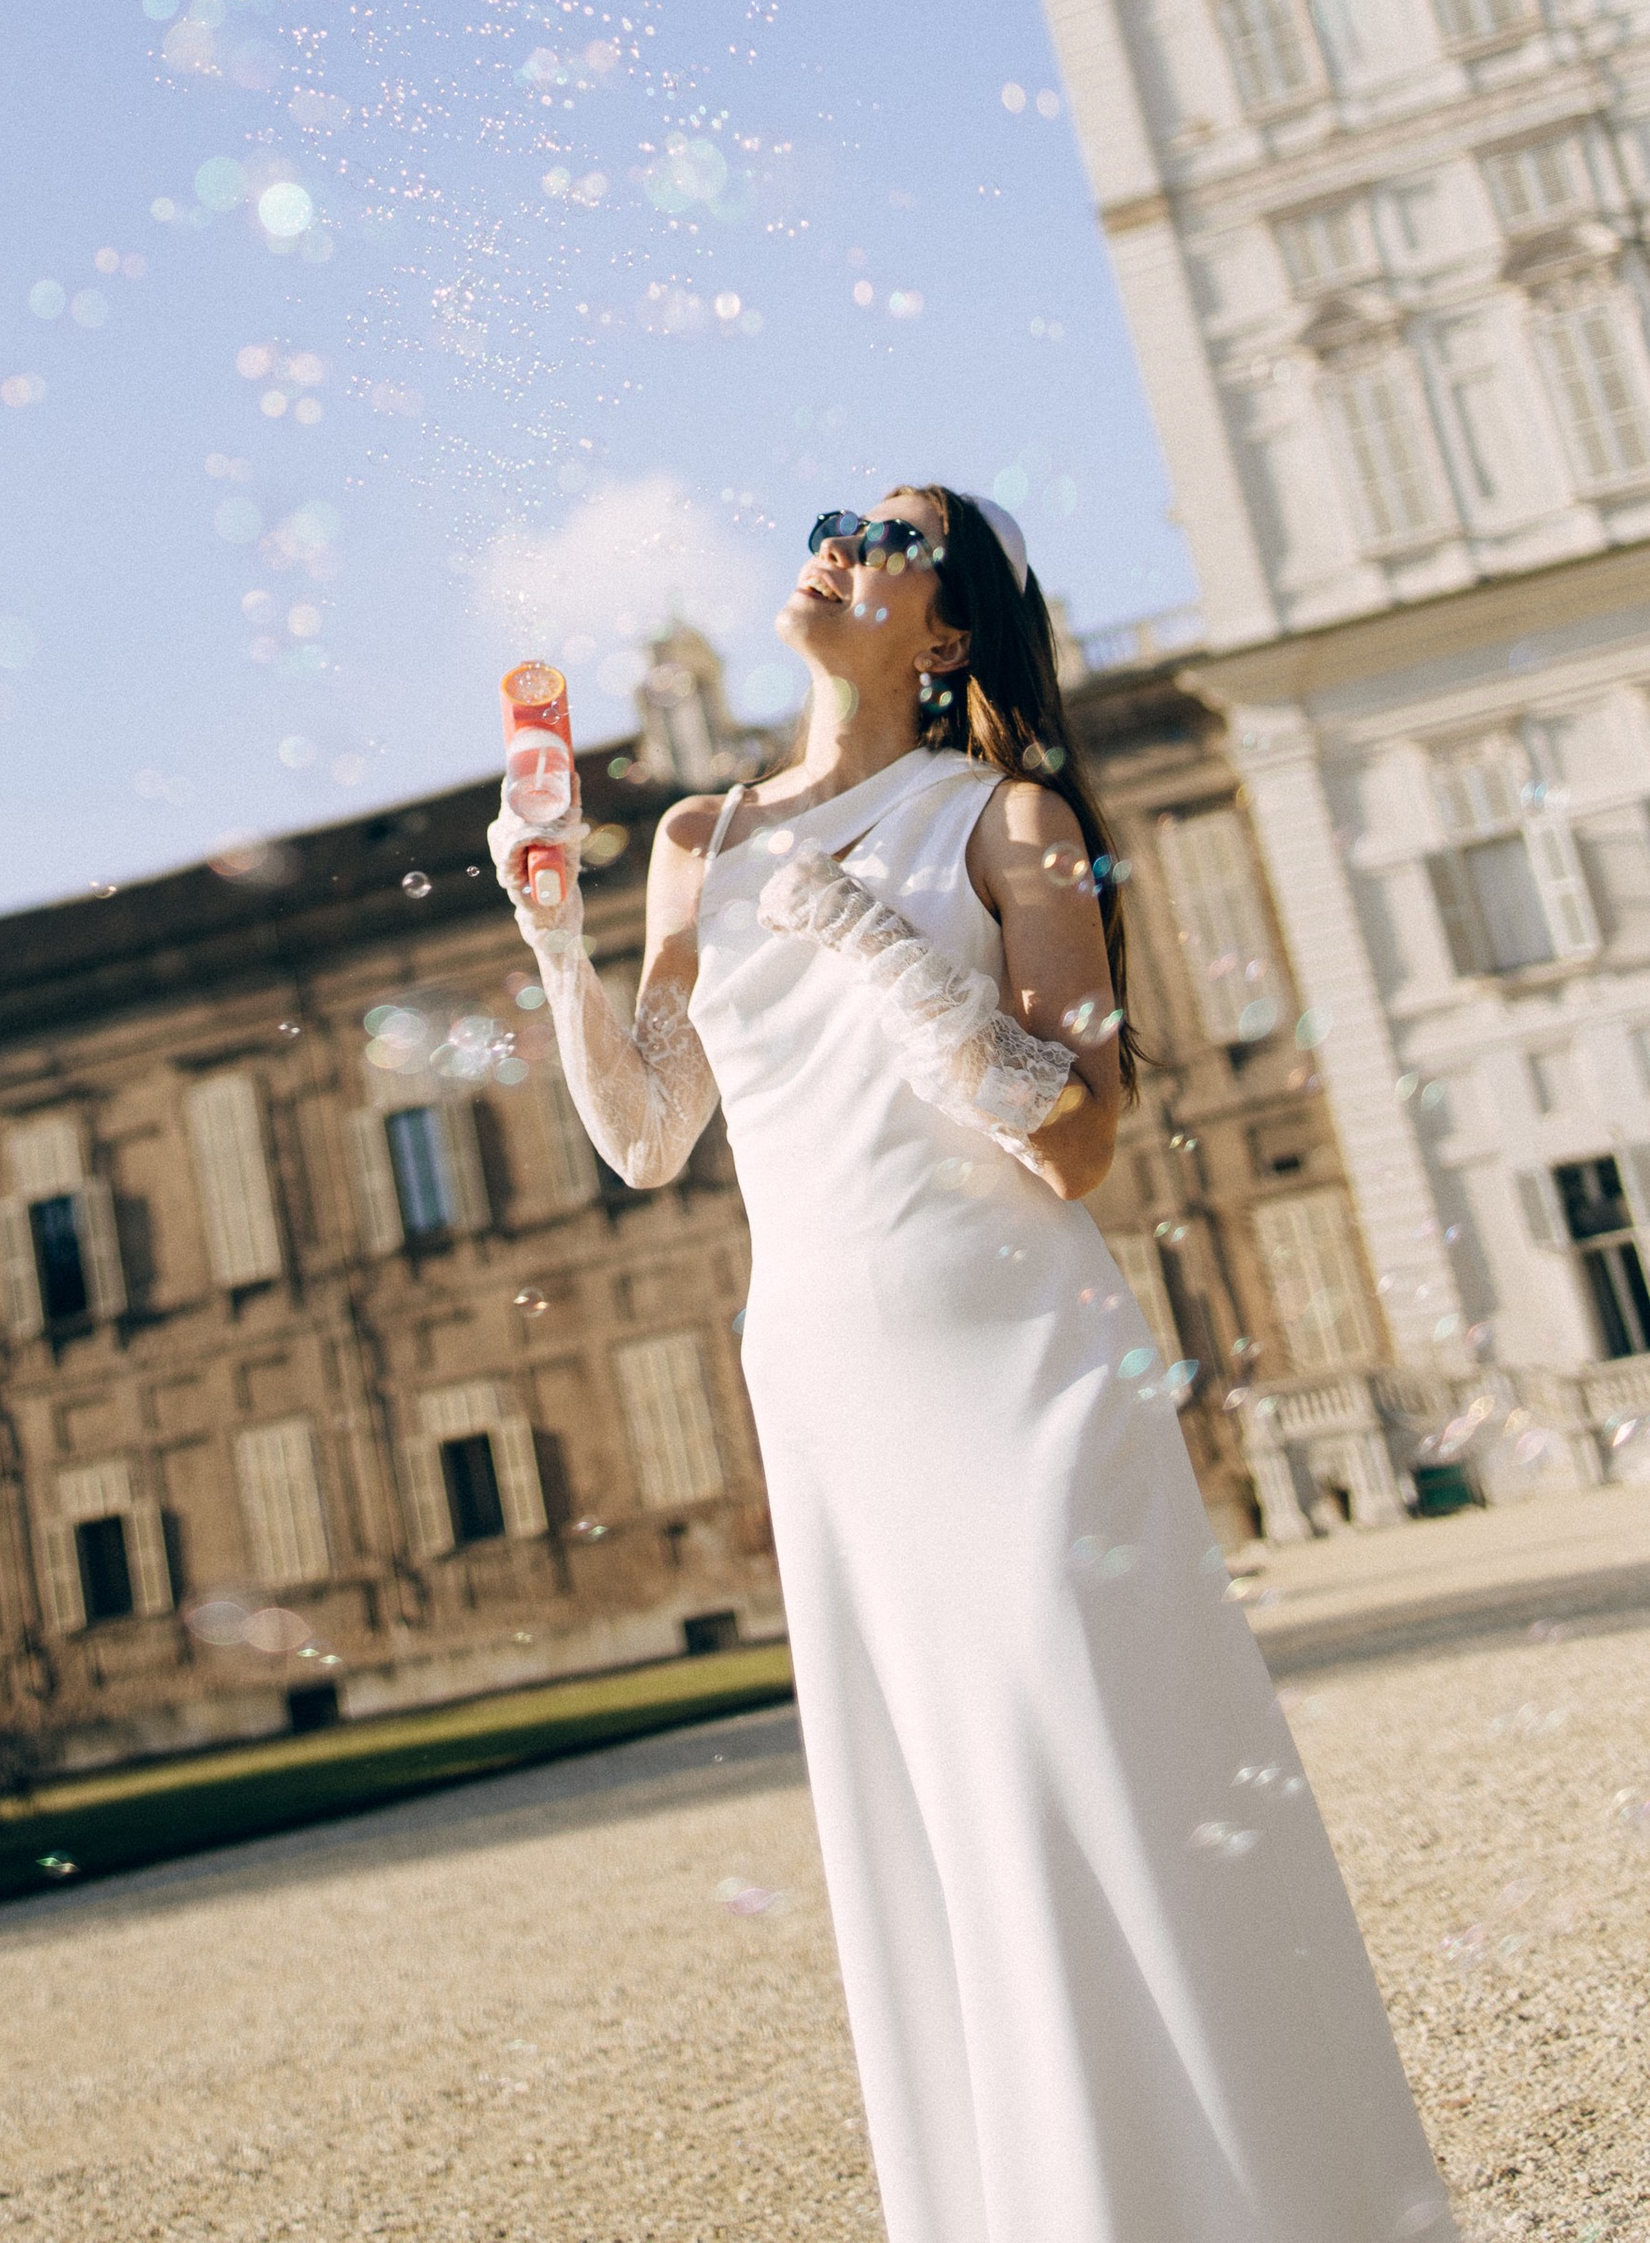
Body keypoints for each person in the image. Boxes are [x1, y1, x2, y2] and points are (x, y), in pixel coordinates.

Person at [490, 486, 1457, 2243]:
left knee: (1101, 1782)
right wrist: (557, 939)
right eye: (833, 516)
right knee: (937, 1836)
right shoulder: (697, 835)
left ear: (948, 635)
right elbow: (647, 1134)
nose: (841, 540)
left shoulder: (1004, 819)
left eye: (896, 536)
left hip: (1017, 1368)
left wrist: (877, 950)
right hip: (827, 1379)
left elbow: (1079, 1144)